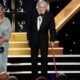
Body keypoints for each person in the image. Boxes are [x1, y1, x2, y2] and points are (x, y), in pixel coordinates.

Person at [27, 0, 56, 79]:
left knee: (44, 59)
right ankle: (34, 76)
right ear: (37, 7)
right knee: (34, 59)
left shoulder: (49, 15)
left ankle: (44, 76)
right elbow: (28, 27)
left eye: (44, 7)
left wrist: (52, 40)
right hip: (33, 39)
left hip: (44, 39)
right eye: (41, 7)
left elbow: (52, 29)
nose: (43, 9)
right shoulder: (31, 13)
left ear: (46, 7)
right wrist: (28, 38)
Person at [0, 3, 12, 72]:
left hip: (4, 44)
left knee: (3, 60)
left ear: (2, 10)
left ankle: (3, 75)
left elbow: (9, 31)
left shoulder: (7, 20)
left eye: (0, 9)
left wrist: (3, 40)